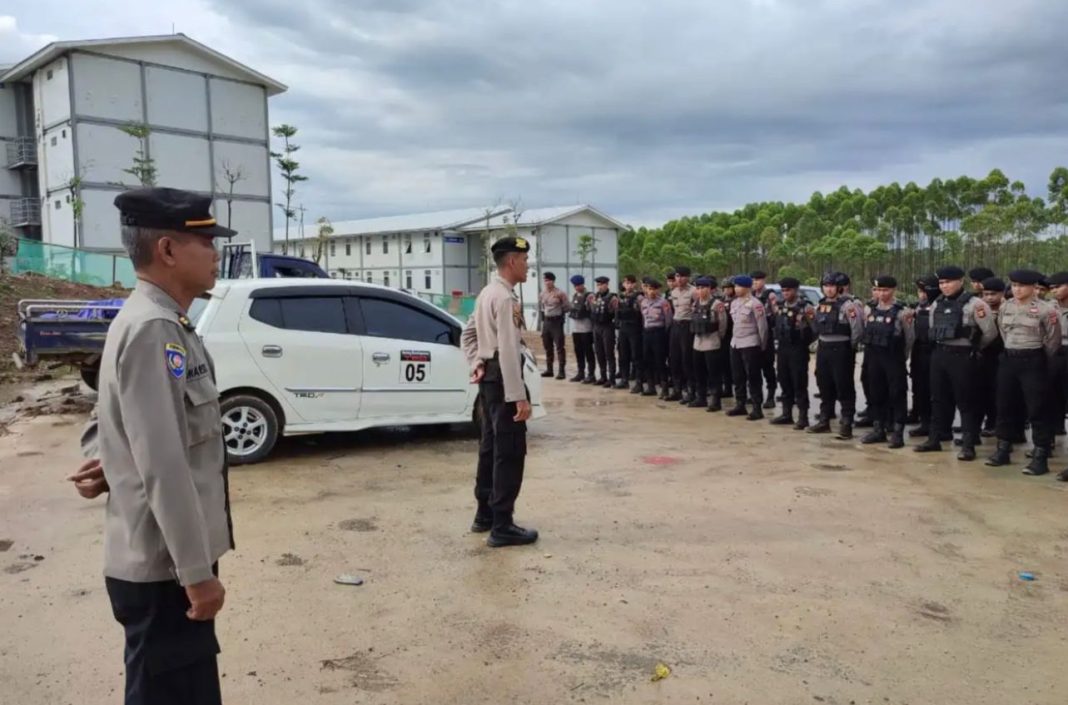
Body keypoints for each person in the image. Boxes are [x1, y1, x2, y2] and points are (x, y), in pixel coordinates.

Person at [71, 187, 236, 705]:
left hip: (163, 563)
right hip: (164, 569)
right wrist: (197, 574)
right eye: (206, 241)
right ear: (167, 250)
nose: (215, 253)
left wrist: (109, 461)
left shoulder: (158, 319)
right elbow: (165, 465)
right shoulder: (153, 329)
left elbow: (116, 421)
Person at [461, 236, 538, 547]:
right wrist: (518, 397)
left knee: (490, 448)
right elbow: (508, 350)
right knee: (510, 452)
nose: (528, 266)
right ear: (512, 262)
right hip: (505, 380)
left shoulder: (486, 293)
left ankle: (485, 514)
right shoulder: (504, 298)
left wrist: (476, 361)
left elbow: (467, 334)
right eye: (525, 260)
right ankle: (502, 524)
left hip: (490, 380)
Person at [915, 266, 998, 461]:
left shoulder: (975, 304)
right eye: (941, 283)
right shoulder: (937, 303)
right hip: (940, 354)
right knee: (938, 399)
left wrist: (973, 347)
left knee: (966, 401)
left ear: (960, 281)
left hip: (963, 356)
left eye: (948, 282)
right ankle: (935, 438)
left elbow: (990, 333)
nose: (945, 286)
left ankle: (969, 445)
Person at [984, 270, 1061, 475]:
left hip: (1033, 360)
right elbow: (1002, 330)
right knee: (1005, 405)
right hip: (1009, 359)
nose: (1017, 289)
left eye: (1021, 286)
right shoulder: (1006, 306)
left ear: (1033, 287)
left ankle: (1040, 455)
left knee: (1037, 409)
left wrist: (1037, 357)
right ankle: (1003, 449)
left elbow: (1053, 341)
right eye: (1014, 286)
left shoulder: (1046, 310)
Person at [860, 276, 914, 449]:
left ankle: (897, 432)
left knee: (897, 394)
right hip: (874, 357)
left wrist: (901, 358)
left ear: (893, 290)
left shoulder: (902, 312)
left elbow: (910, 339)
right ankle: (878, 429)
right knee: (876, 393)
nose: (882, 294)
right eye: (879, 290)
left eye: (886, 290)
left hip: (893, 358)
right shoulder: (869, 309)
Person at [809, 272, 864, 439]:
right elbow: (816, 326)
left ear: (838, 288)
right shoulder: (820, 305)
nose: (828, 289)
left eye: (832, 286)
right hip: (824, 347)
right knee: (824, 384)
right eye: (825, 286)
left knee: (844, 385)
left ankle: (846, 422)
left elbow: (857, 329)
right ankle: (824, 419)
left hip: (841, 348)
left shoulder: (848, 305)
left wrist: (850, 347)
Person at [770, 277, 815, 430]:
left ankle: (803, 417)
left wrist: (804, 343)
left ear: (796, 290)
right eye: (783, 290)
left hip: (798, 348)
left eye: (788, 290)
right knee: (784, 380)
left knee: (799, 382)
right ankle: (786, 414)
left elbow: (814, 329)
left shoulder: (805, 307)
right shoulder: (780, 305)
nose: (785, 293)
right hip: (783, 348)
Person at [727, 275, 768, 420]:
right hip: (736, 343)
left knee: (753, 377)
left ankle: (757, 408)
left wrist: (761, 345)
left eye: (739, 286)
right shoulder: (734, 303)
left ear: (747, 287)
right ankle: (740, 404)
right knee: (738, 376)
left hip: (750, 343)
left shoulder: (755, 304)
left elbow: (762, 327)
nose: (736, 289)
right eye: (735, 286)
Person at [691, 276, 729, 411]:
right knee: (699, 372)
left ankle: (715, 400)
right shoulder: (695, 303)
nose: (700, 291)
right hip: (698, 342)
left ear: (709, 289)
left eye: (703, 288)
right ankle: (701, 398)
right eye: (698, 288)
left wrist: (719, 337)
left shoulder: (717, 304)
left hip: (712, 342)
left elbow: (723, 324)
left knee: (714, 374)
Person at [908, 275, 940, 439]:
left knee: (935, 390)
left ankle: (938, 426)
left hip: (935, 350)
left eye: (924, 291)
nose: (921, 294)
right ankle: (924, 421)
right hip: (919, 349)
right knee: (919, 387)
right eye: (919, 291)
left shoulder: (941, 305)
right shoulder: (917, 308)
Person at [977, 277, 1008, 438]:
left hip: (1002, 356)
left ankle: (997, 424)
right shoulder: (980, 308)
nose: (989, 297)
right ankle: (984, 423)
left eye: (993, 294)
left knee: (999, 392)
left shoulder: (1008, 308)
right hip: (983, 356)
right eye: (986, 294)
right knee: (982, 391)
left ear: (1002, 293)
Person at [1047, 271, 1068, 481]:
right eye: (1051, 288)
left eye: (1058, 286)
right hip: (1054, 355)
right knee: (1051, 401)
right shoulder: (1048, 307)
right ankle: (1047, 444)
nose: (1054, 291)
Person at [668, 266, 697, 403]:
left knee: (687, 359)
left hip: (687, 326)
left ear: (688, 277)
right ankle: (677, 390)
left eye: (682, 276)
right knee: (674, 359)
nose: (679, 279)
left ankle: (691, 391)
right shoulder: (673, 291)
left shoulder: (693, 291)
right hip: (676, 325)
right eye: (677, 276)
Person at [750, 271, 778, 409]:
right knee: (753, 367)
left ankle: (771, 396)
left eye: (758, 280)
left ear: (764, 280)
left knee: (768, 367)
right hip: (753, 334)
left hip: (767, 334)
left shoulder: (770, 295)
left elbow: (776, 314)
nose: (755, 282)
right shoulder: (751, 295)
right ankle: (756, 396)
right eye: (753, 280)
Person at [640, 280, 673, 397]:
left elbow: (668, 320)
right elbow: (643, 318)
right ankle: (650, 386)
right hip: (647, 333)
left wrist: (664, 333)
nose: (651, 291)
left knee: (660, 361)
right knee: (647, 360)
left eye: (654, 289)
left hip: (659, 333)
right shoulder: (643, 302)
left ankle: (664, 388)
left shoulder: (663, 303)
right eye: (649, 289)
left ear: (658, 290)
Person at [537, 272, 569, 379]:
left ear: (553, 281)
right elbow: (541, 308)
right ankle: (549, 369)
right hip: (547, 322)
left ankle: (561, 371)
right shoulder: (542, 294)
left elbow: (566, 307)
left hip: (556, 322)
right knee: (547, 346)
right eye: (545, 280)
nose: (547, 282)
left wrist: (559, 316)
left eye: (549, 280)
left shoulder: (560, 293)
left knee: (559, 347)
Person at [616, 275, 645, 392]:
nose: (628, 285)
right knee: (623, 355)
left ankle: (639, 382)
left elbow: (643, 314)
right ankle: (624, 380)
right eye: (626, 283)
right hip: (623, 328)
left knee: (636, 356)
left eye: (630, 283)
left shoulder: (639, 297)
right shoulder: (620, 297)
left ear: (634, 284)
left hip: (635, 329)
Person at [590, 276, 619, 386]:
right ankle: (603, 376)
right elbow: (591, 310)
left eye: (601, 284)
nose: (599, 287)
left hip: (607, 326)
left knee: (608, 353)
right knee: (599, 352)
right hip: (596, 327)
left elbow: (616, 313)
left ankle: (611, 379)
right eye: (598, 285)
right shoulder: (594, 297)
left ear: (607, 285)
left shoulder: (612, 298)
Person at [568, 275, 596, 384]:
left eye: (578, 285)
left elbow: (593, 310)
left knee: (588, 352)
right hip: (576, 329)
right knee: (578, 352)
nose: (576, 287)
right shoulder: (575, 295)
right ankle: (581, 373)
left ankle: (591, 374)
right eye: (575, 285)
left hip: (586, 329)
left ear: (583, 284)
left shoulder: (589, 296)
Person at [719, 278, 736, 399]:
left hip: (734, 334)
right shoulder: (721, 301)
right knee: (724, 363)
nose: (726, 290)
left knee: (735, 364)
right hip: (724, 335)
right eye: (724, 288)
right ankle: (727, 388)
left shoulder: (737, 301)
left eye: (729, 288)